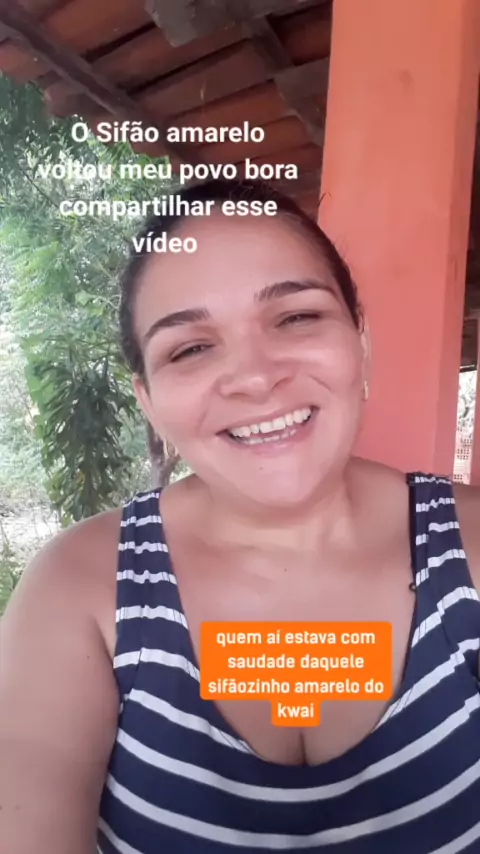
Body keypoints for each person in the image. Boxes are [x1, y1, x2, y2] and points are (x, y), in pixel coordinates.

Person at [1, 178, 480, 854]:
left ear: (360, 340)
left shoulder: (471, 546)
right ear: (147, 399)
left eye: (296, 317)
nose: (256, 377)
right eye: (190, 348)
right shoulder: (77, 589)